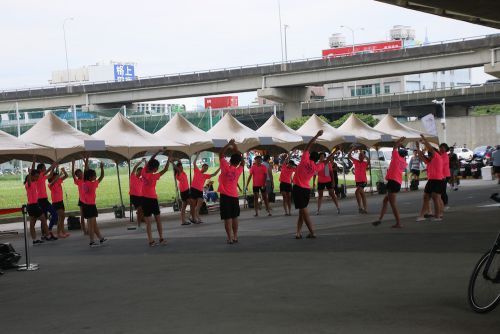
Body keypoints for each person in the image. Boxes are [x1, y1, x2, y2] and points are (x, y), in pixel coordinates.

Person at [293, 130, 325, 239]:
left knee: (304, 212)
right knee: (302, 212)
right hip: (306, 190)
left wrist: (316, 135)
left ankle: (312, 232)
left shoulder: (304, 160)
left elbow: (308, 146)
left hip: (298, 188)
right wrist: (334, 153)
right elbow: (325, 162)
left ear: (310, 155)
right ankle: (298, 232)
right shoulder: (316, 167)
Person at [372, 137, 407, 228]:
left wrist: (399, 141)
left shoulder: (396, 158)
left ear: (398, 154)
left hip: (393, 182)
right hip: (396, 182)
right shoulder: (404, 162)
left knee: (393, 204)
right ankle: (380, 219)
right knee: (385, 200)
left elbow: (394, 147)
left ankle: (398, 222)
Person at [142, 150, 170, 246]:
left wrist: (157, 152)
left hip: (144, 199)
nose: (157, 170)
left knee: (148, 222)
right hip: (152, 199)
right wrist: (169, 157)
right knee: (158, 220)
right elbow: (165, 169)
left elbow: (150, 160)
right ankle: (161, 238)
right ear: (154, 168)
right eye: (157, 168)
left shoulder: (143, 171)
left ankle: (150, 241)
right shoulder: (153, 176)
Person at [218, 139, 244, 244]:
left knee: (227, 218)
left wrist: (229, 144)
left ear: (230, 161)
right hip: (234, 196)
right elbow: (242, 160)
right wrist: (235, 147)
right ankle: (236, 236)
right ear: (238, 163)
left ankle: (229, 238)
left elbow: (220, 154)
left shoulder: (225, 166)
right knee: (234, 217)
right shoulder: (238, 170)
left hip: (225, 196)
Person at [415, 135, 444, 222]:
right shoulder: (430, 161)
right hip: (431, 180)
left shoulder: (438, 157)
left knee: (435, 197)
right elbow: (421, 156)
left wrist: (425, 141)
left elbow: (430, 149)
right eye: (429, 154)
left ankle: (438, 216)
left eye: (431, 154)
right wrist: (417, 147)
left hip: (438, 180)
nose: (429, 155)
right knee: (425, 197)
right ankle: (421, 215)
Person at [24, 157, 49, 245]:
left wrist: (34, 160)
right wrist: (30, 172)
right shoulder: (29, 184)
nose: (38, 177)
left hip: (33, 205)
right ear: (31, 177)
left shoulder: (34, 182)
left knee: (33, 223)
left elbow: (34, 170)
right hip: (33, 206)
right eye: (36, 176)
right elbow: (31, 177)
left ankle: (35, 240)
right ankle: (47, 235)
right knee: (43, 220)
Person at [190, 153, 220, 223]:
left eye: (207, 168)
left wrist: (220, 167)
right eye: (205, 167)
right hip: (194, 189)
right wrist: (197, 155)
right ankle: (193, 217)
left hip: (200, 191)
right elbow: (194, 163)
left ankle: (195, 216)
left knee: (199, 204)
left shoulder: (205, 176)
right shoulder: (197, 171)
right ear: (202, 167)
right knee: (193, 205)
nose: (206, 169)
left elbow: (214, 174)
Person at [82, 162, 106, 247]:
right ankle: (92, 241)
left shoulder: (84, 183)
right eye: (94, 175)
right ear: (90, 177)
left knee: (94, 224)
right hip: (91, 206)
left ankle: (101, 239)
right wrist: (102, 168)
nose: (95, 176)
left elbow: (86, 173)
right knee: (91, 225)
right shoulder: (93, 184)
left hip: (86, 205)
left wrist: (86, 163)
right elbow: (102, 176)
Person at [36, 162, 58, 241]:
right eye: (44, 167)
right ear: (40, 169)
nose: (45, 168)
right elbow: (48, 171)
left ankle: (49, 231)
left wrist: (53, 168)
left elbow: (50, 175)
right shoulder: (38, 176)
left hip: (45, 200)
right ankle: (44, 234)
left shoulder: (42, 176)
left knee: (55, 214)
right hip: (40, 200)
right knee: (44, 218)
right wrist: (52, 166)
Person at [47, 166, 70, 238]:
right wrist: (59, 174)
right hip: (56, 203)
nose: (58, 177)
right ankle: (59, 233)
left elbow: (66, 176)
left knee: (62, 217)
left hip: (60, 201)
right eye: (56, 176)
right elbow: (54, 181)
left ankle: (62, 232)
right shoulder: (50, 184)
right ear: (53, 177)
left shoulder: (58, 181)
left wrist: (63, 171)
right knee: (61, 217)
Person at [172, 160, 194, 226]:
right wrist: (172, 162)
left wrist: (179, 160)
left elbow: (179, 166)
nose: (181, 168)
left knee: (184, 206)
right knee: (192, 203)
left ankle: (184, 221)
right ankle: (191, 217)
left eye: (182, 167)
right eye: (180, 167)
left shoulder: (183, 172)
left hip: (187, 190)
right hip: (184, 192)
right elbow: (177, 169)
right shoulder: (178, 174)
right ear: (177, 168)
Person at [348, 146, 369, 214]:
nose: (361, 157)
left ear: (363, 156)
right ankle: (365, 209)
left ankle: (360, 207)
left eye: (362, 156)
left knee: (357, 192)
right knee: (362, 194)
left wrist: (362, 152)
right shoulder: (356, 161)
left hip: (363, 181)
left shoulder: (365, 163)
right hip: (358, 181)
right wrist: (352, 149)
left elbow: (368, 160)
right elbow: (349, 156)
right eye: (360, 156)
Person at [72, 157, 88, 234]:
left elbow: (86, 169)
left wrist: (85, 160)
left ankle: (89, 229)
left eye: (81, 172)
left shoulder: (85, 178)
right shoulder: (78, 181)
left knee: (88, 215)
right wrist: (73, 164)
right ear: (77, 176)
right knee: (82, 215)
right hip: (81, 199)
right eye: (79, 174)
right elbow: (72, 174)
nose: (81, 174)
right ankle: (84, 230)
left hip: (87, 199)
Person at [130, 159, 146, 228]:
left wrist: (145, 163)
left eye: (142, 172)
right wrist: (140, 162)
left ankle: (142, 220)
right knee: (139, 209)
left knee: (142, 210)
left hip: (141, 196)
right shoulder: (133, 177)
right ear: (137, 171)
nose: (141, 173)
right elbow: (134, 168)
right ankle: (139, 224)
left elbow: (146, 171)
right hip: (134, 196)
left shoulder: (142, 179)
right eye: (140, 172)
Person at [439, 143, 451, 210]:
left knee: (443, 191)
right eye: (440, 147)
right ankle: (442, 204)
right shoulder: (441, 155)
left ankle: (445, 204)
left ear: (446, 149)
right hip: (441, 175)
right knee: (440, 191)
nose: (441, 149)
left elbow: (441, 163)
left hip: (445, 175)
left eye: (443, 148)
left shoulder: (445, 155)